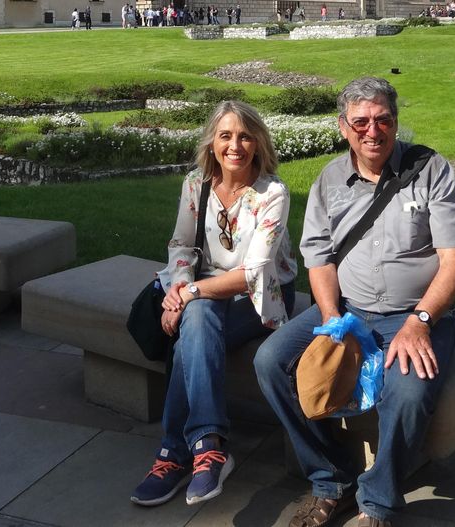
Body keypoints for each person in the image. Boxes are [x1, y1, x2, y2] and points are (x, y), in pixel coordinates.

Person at [254, 77, 455, 527]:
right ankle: (331, 478)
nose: (372, 131)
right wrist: (332, 318)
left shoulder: (430, 169)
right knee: (271, 361)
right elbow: (319, 258)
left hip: (417, 314)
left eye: (383, 120)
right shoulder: (330, 179)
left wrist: (420, 321)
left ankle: (377, 501)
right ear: (343, 127)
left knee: (408, 393)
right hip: (348, 308)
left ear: (395, 122)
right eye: (360, 122)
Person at [130, 100, 298, 508]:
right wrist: (180, 287)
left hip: (263, 296)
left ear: (258, 143)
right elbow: (181, 244)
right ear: (212, 142)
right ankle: (208, 447)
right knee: (200, 318)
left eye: (245, 136)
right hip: (204, 289)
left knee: (192, 328)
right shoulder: (197, 183)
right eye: (226, 136)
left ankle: (173, 453)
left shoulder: (272, 193)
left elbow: (255, 272)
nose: (235, 146)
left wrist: (188, 294)